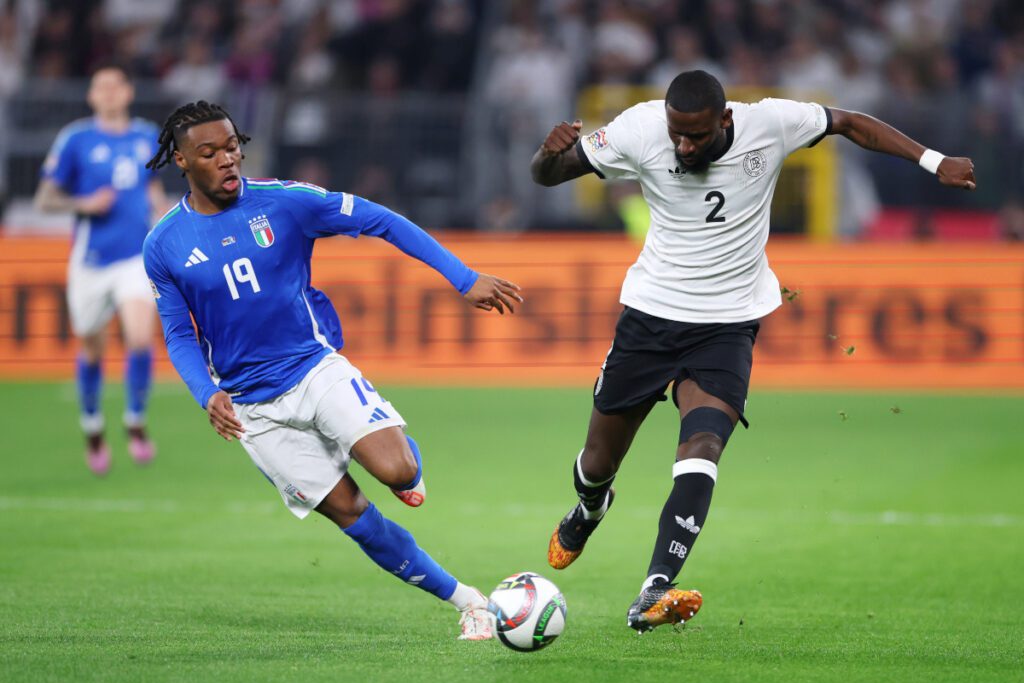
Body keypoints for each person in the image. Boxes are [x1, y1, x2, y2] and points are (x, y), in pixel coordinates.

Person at [531, 70, 976, 634]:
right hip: (650, 319)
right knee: (597, 464)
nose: (684, 147)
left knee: (703, 446)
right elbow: (547, 176)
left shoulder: (768, 123)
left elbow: (851, 124)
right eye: (677, 136)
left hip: (728, 325)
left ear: (725, 121)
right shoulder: (639, 127)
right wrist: (548, 155)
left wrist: (934, 162)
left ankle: (653, 590)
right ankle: (590, 508)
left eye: (695, 136)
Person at [142, 101, 523, 640]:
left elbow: (381, 220)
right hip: (253, 409)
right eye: (210, 153)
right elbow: (180, 333)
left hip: (313, 368)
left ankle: (406, 461)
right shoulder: (163, 244)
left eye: (232, 146)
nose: (227, 160)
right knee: (354, 517)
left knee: (397, 474)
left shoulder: (287, 202)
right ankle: (467, 600)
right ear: (182, 160)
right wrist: (206, 394)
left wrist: (462, 278)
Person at [35, 62, 168, 476]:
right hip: (91, 261)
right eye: (100, 86)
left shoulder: (147, 136)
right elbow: (45, 199)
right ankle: (93, 427)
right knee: (91, 347)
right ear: (91, 96)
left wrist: (167, 219)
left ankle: (135, 420)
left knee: (139, 337)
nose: (108, 93)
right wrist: (83, 204)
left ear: (128, 92)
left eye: (115, 85)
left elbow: (154, 192)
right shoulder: (76, 139)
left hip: (134, 256)